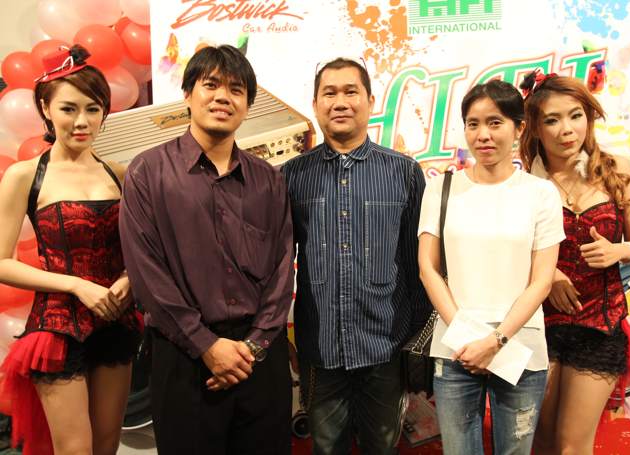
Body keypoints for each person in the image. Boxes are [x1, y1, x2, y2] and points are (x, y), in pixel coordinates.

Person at [118, 44, 295, 455]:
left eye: (236, 89)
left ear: (247, 104)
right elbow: (147, 274)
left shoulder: (268, 180)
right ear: (187, 94)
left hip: (258, 357)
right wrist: (206, 345)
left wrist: (253, 346)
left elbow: (282, 266)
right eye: (210, 85)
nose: (222, 97)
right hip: (183, 356)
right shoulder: (148, 172)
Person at [281, 57, 430, 455]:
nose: (340, 102)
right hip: (320, 348)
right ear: (315, 104)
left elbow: (419, 264)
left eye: (351, 91)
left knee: (383, 448)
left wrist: (416, 339)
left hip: (386, 347)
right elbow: (277, 264)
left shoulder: (404, 172)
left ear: (370, 101)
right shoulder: (292, 176)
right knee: (326, 449)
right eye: (329, 93)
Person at [0, 45, 143, 455]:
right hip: (58, 326)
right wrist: (77, 285)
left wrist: (129, 279)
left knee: (106, 446)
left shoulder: (120, 174)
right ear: (45, 109)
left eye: (93, 109)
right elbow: (2, 263)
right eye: (68, 109)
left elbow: (140, 249)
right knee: (75, 449)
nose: (82, 121)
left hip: (115, 321)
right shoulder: (24, 175)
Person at [418, 79, 565, 455]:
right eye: (473, 123)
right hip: (456, 349)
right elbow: (427, 269)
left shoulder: (540, 193)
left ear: (519, 128)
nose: (483, 134)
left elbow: (541, 281)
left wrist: (495, 341)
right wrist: (468, 339)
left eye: (495, 122)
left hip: (520, 349)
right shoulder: (441, 188)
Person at [519, 73, 630, 455]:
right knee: (539, 442)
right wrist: (549, 273)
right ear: (535, 127)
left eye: (575, 115)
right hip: (538, 324)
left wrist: (619, 252)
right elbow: (511, 252)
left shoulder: (618, 169)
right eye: (552, 120)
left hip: (599, 324)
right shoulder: (524, 184)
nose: (567, 129)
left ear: (589, 116)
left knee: (572, 447)